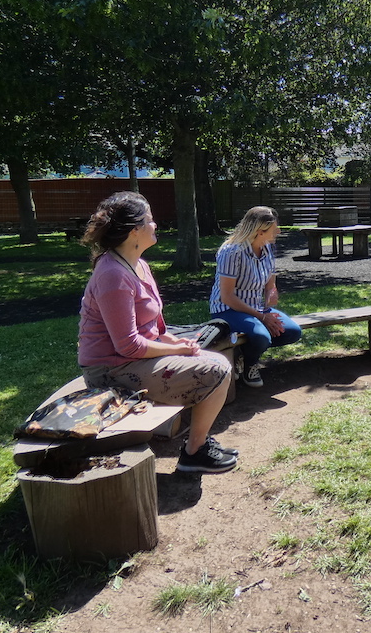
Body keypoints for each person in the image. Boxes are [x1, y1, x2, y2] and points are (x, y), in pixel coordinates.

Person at [78, 191, 238, 474]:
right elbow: (128, 345)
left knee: (215, 361)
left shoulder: (137, 264)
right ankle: (194, 452)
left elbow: (151, 328)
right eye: (150, 220)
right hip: (110, 371)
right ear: (134, 231)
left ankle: (197, 445)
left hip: (133, 359)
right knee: (218, 370)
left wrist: (171, 340)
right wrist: (176, 350)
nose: (156, 225)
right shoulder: (113, 274)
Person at [209, 206, 302, 388]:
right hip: (227, 309)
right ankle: (250, 365)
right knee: (262, 337)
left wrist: (270, 301)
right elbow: (227, 296)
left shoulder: (268, 248)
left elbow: (270, 284)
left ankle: (241, 354)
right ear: (260, 232)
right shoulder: (231, 252)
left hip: (255, 309)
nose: (279, 231)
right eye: (275, 228)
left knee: (292, 331)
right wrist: (262, 317)